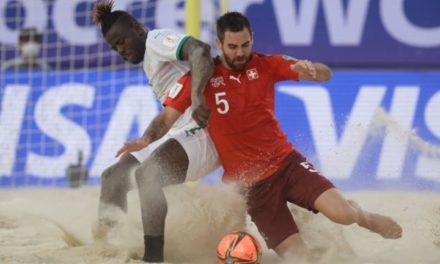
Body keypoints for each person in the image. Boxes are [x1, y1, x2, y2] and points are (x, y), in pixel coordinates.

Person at [128, 11, 403, 262]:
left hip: (287, 165)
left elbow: (325, 74)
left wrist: (314, 70)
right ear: (219, 43)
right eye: (233, 47)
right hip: (252, 190)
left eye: (245, 45)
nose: (240, 53)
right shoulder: (202, 78)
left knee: (342, 215)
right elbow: (166, 118)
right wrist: (145, 140)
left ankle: (366, 218)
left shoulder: (266, 64)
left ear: (252, 40)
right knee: (300, 258)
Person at [92, 1, 222, 262]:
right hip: (182, 131)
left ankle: (153, 257)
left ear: (137, 28)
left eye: (122, 41)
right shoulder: (149, 60)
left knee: (148, 176)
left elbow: (200, 50)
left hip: (207, 131)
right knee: (113, 178)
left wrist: (196, 98)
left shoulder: (156, 40)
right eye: (114, 46)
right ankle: (110, 249)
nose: (120, 49)